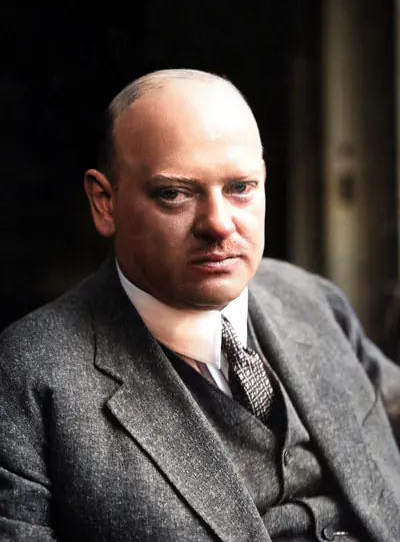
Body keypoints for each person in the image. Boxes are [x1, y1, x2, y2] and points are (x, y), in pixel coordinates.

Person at [1, 69, 400, 542]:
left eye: (241, 188)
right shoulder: (27, 372)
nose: (219, 224)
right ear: (104, 203)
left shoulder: (311, 298)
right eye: (174, 194)